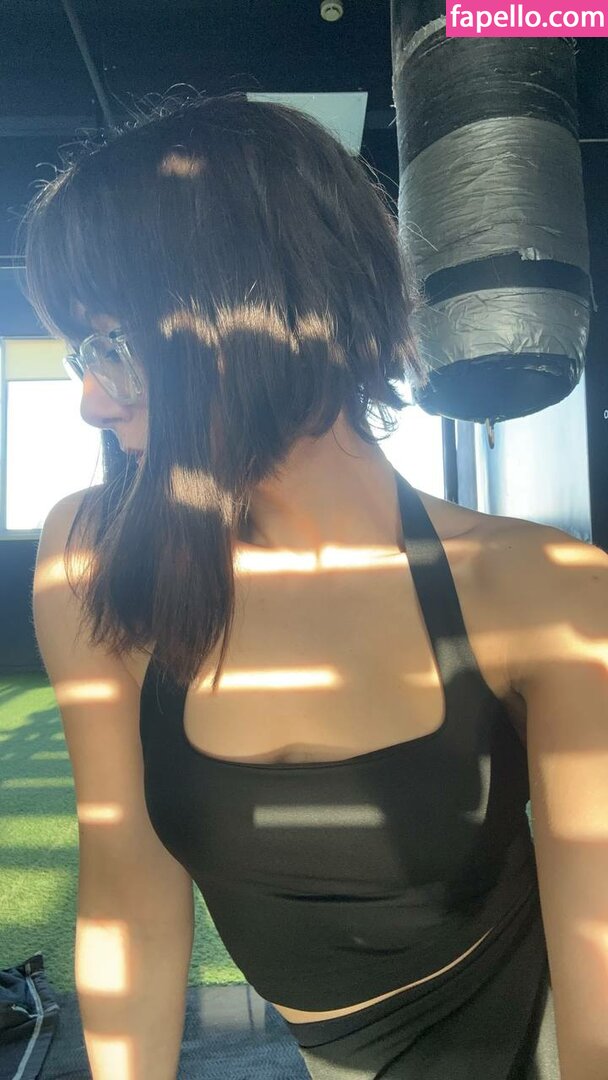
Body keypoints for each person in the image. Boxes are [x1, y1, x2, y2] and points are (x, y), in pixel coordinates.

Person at [23, 91, 567, 1079]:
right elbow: (127, 886)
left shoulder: (536, 589)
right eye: (80, 355)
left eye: (114, 349)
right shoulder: (95, 556)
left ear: (265, 318)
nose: (92, 401)